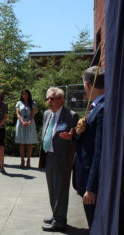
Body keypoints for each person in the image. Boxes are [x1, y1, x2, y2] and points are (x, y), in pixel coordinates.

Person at [60, 66, 104, 228]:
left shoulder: (102, 109)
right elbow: (89, 140)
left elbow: (99, 152)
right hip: (85, 178)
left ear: (87, 85)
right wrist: (76, 135)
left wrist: (91, 188)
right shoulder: (95, 106)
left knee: (95, 224)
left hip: (92, 183)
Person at [40, 87, 79, 232]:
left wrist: (71, 138)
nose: (49, 101)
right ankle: (56, 215)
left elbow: (77, 138)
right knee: (52, 189)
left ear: (61, 99)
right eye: (47, 98)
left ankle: (60, 221)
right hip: (48, 156)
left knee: (61, 189)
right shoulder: (46, 114)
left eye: (52, 98)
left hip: (62, 158)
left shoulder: (71, 115)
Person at [14, 89, 38, 168]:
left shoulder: (33, 103)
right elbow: (18, 113)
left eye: (26, 94)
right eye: (23, 94)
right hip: (21, 124)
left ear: (29, 95)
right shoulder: (19, 103)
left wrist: (30, 121)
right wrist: (22, 121)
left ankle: (28, 160)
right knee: (22, 143)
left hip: (30, 124)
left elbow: (33, 114)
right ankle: (22, 160)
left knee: (29, 143)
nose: (24, 95)